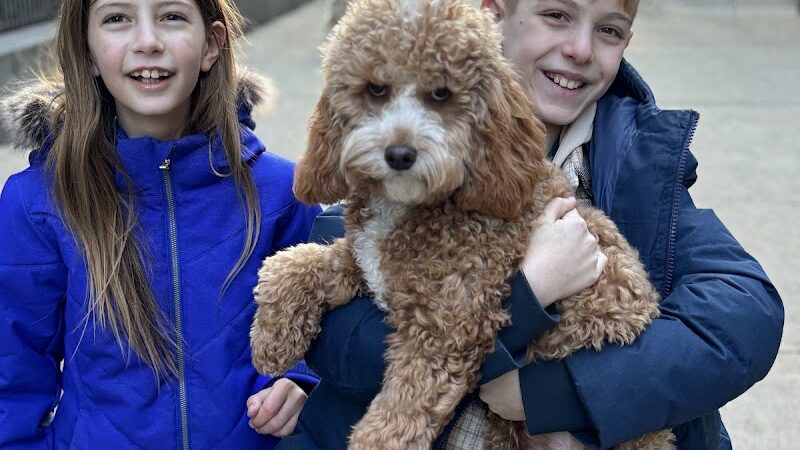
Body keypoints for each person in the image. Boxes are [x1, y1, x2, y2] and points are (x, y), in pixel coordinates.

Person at [276, 0, 785, 449]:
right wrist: (527, 295)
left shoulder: (644, 166)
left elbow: (744, 314)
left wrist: (554, 394)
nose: (580, 49)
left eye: (608, 30)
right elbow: (344, 344)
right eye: (556, 15)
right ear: (493, 13)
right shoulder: (382, 180)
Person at [0, 0, 321, 448]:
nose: (147, 42)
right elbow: (12, 372)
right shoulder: (37, 203)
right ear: (86, 51)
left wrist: (301, 379)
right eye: (117, 18)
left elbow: (327, 325)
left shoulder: (282, 191)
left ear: (211, 44)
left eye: (171, 16)